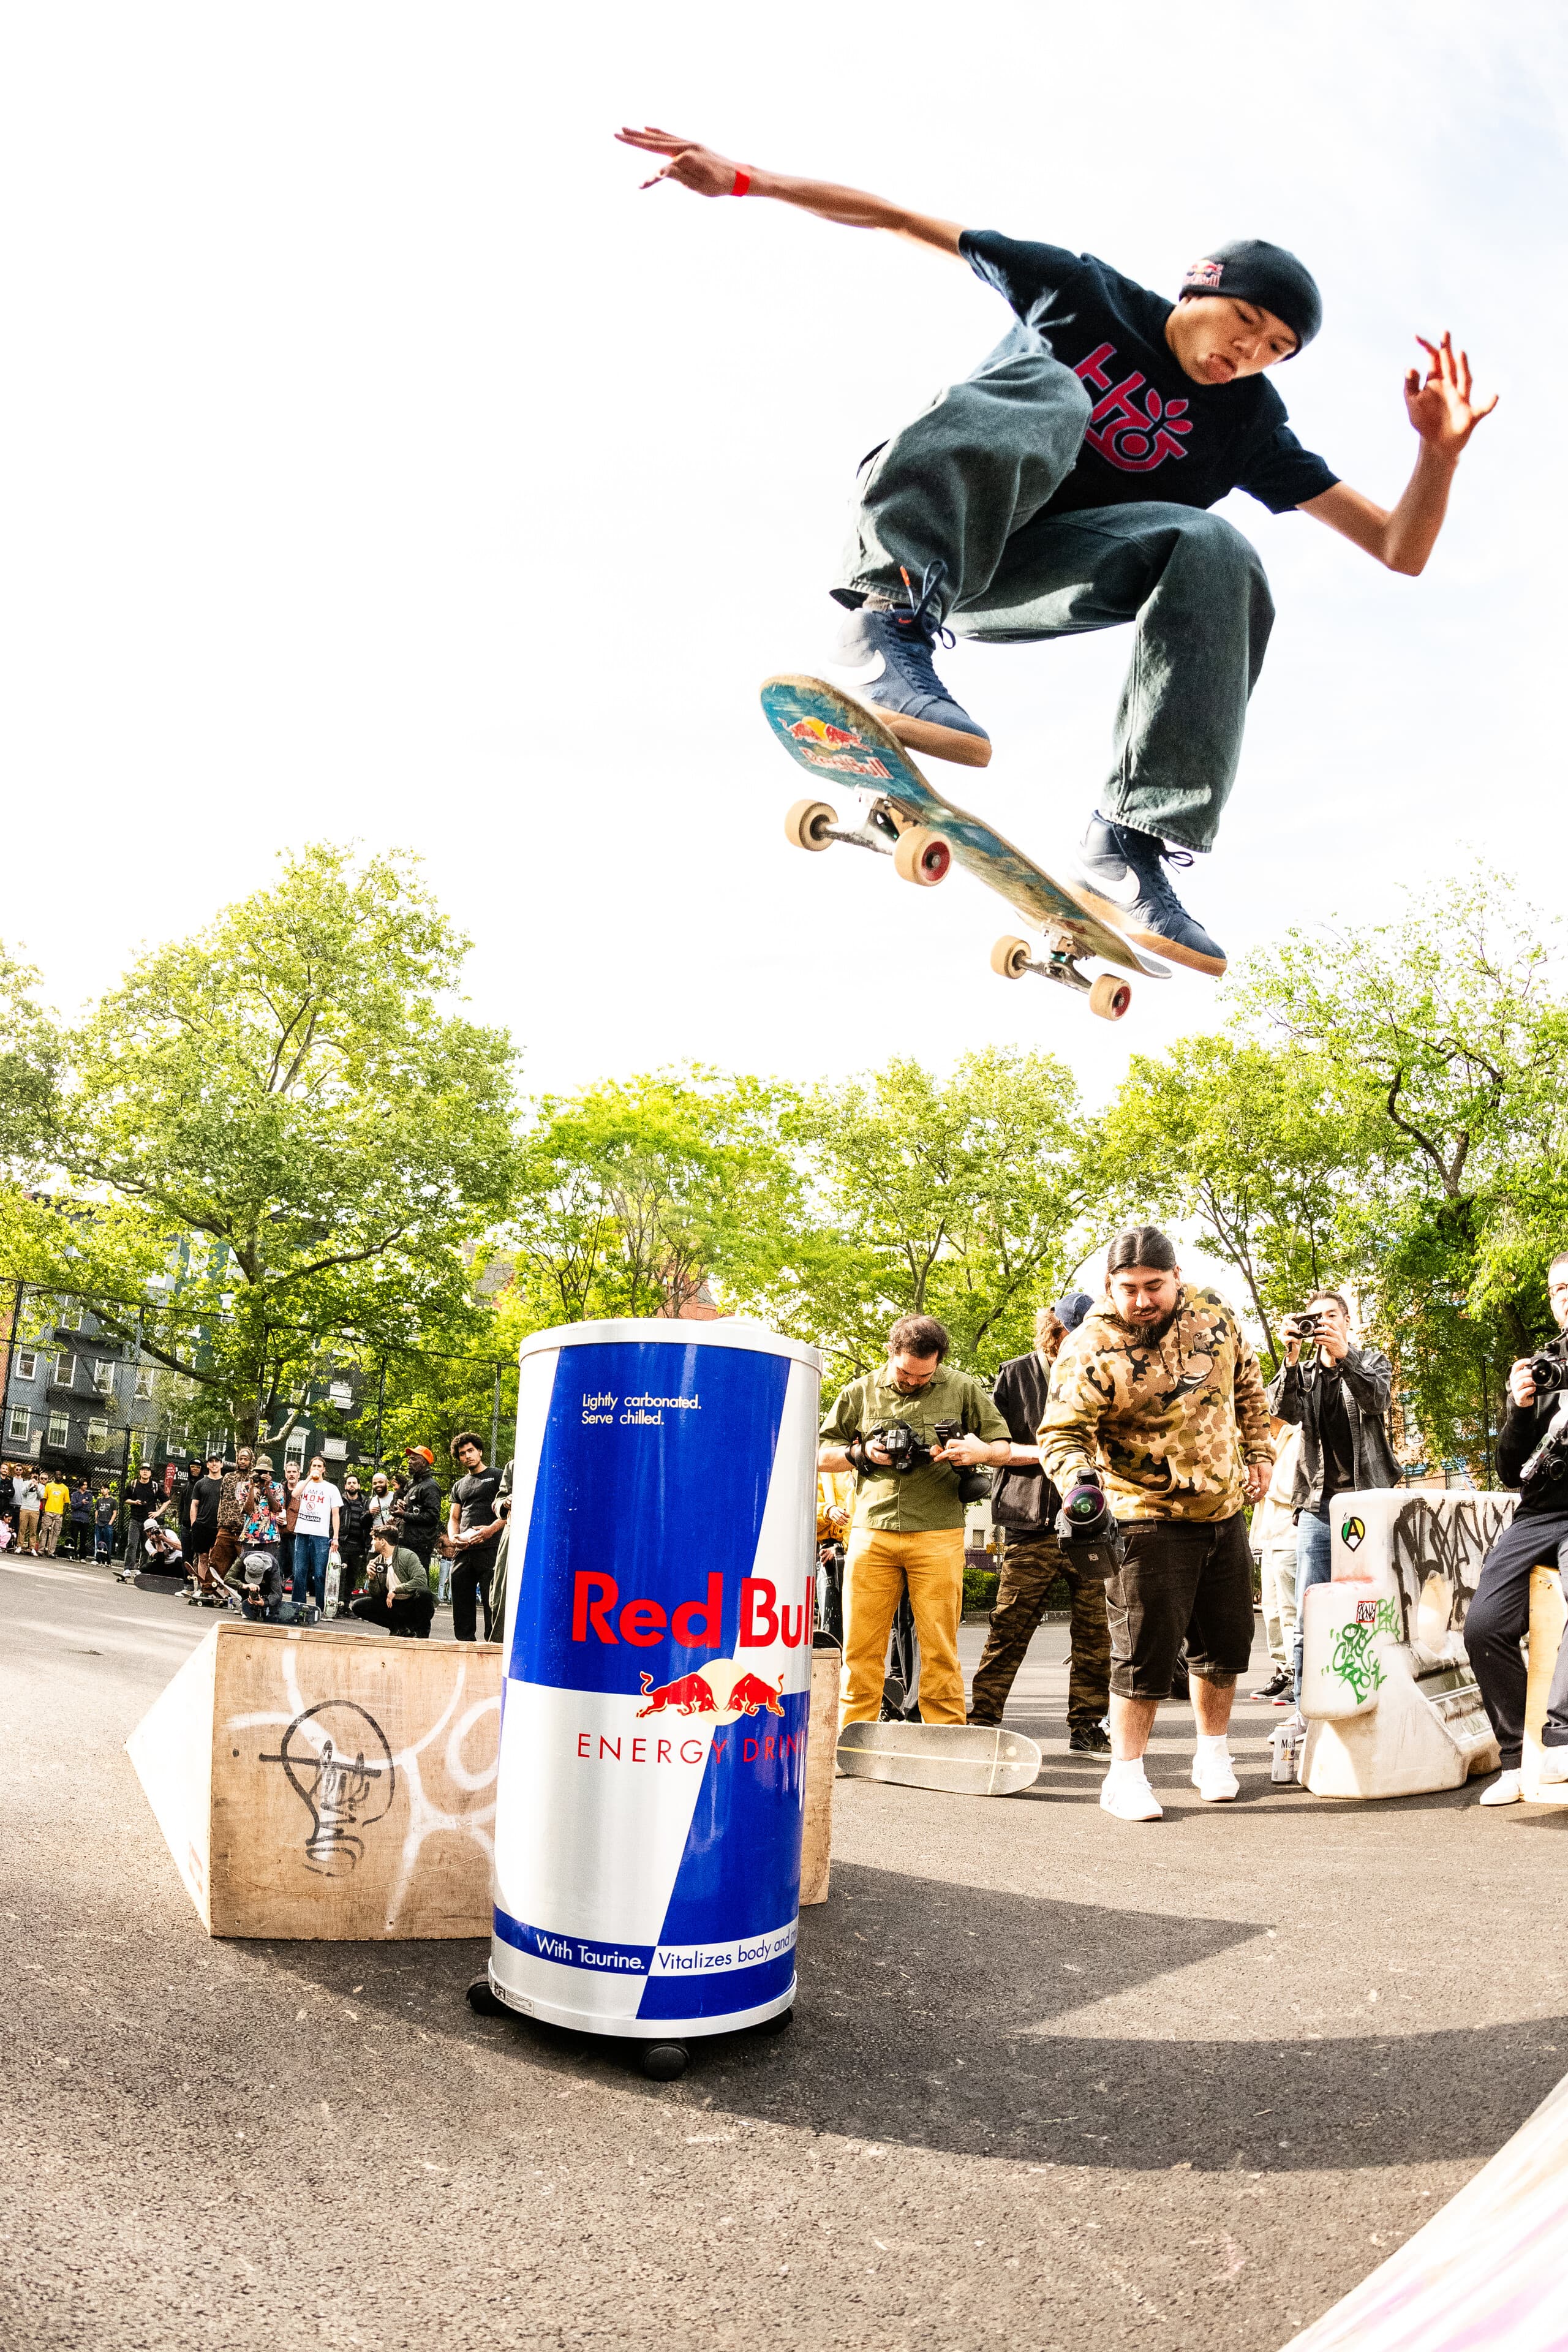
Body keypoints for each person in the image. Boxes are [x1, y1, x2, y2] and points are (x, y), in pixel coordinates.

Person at [616, 128, 1496, 976]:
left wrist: (1440, 455)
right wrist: (746, 180)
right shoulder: (1083, 293)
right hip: (935, 526)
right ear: (1199, 287)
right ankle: (881, 620)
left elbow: (1396, 547)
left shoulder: (1251, 428)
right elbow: (896, 218)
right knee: (1054, 385)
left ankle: (1128, 839)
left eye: (1276, 349)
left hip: (1021, 585)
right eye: (1245, 320)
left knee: (1216, 544)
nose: (1247, 352)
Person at [1039, 1226, 1273, 1822]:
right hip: (1143, 1512)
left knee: (1222, 1648)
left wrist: (1262, 1453)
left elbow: (1247, 1384)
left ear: (1176, 1278)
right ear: (1108, 1287)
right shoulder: (1089, 1346)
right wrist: (1079, 1484)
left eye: (1155, 1286)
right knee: (1143, 1655)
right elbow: (1060, 1434)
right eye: (1129, 1289)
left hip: (1222, 1508)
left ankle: (1213, 1755)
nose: (1142, 1300)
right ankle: (1124, 1776)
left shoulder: (1214, 1314)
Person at [818, 1313, 1012, 1725]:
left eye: (926, 1376)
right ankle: (852, 1735)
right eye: (907, 1374)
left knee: (940, 1646)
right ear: (891, 1352)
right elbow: (819, 1454)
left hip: (939, 1531)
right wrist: (861, 1454)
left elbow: (1001, 1447)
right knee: (860, 1647)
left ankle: (946, 1734)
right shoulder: (860, 1391)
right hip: (872, 1530)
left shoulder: (962, 1387)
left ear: (939, 1360)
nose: (915, 1381)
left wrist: (975, 1451)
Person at [970, 1304, 1112, 1752]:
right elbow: (990, 1448)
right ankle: (983, 1719)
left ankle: (1088, 1726)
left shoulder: (1108, 1369)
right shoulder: (1015, 1375)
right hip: (1030, 1523)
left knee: (1097, 1635)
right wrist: (1053, 1454)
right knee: (1009, 1627)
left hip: (1093, 1524)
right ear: (1057, 1330)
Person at [1466, 1253, 1568, 1807]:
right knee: (1483, 1627)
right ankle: (1514, 1758)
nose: (1565, 1297)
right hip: (1538, 1512)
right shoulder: (1543, 1365)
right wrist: (1519, 1409)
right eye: (1557, 1290)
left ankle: (1560, 1736)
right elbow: (1510, 1471)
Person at [1267, 1292, 1399, 1703]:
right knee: (1311, 1611)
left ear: (1346, 1321)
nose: (1322, 1324)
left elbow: (1377, 1399)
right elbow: (1279, 1410)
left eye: (1331, 1317)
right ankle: (1308, 1706)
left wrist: (1346, 1359)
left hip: (1368, 1504)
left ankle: (1377, 1695)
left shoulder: (1372, 1361)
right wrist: (1289, 1358)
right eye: (1314, 1318)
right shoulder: (1303, 1374)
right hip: (1318, 1507)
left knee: (1372, 1603)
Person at [1249, 1419, 1303, 1704]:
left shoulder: (1298, 1437)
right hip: (1268, 1536)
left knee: (1290, 1608)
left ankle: (1299, 1673)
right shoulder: (1266, 1445)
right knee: (1271, 1609)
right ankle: (1282, 1670)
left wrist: (1262, 1482)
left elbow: (1294, 1489)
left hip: (1289, 1536)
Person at [445, 1433, 505, 1643]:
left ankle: (493, 1649)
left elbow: (510, 1510)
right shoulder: (459, 1485)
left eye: (471, 1451)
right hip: (463, 1552)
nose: (467, 1456)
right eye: (463, 1454)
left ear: (480, 1451)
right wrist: (454, 1539)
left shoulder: (498, 1475)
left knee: (492, 1604)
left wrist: (490, 1530)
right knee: (461, 1604)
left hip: (490, 1548)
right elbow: (454, 1518)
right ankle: (464, 1647)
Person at [351, 1522, 436, 1639]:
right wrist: (372, 1578)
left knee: (424, 1593)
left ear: (382, 1542)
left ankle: (422, 1634)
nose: (372, 1543)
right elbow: (376, 1595)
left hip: (411, 1604)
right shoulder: (377, 1561)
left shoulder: (407, 1556)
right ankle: (398, 1628)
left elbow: (421, 1580)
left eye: (374, 1539)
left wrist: (397, 1589)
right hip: (393, 1605)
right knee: (358, 1606)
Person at [289, 1455, 342, 1621]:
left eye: (320, 1466)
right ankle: (299, 1607)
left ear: (324, 1469)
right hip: (303, 1532)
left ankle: (321, 1609)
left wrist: (336, 1537)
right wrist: (308, 1479)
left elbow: (336, 1514)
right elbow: (295, 1494)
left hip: (321, 1535)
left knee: (320, 1574)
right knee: (300, 1572)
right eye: (314, 1466)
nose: (317, 1469)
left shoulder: (331, 1488)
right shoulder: (303, 1484)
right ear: (310, 1468)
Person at [393, 1445, 442, 1572]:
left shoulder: (431, 1486)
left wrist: (404, 1515)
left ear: (424, 1463)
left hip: (420, 1547)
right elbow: (403, 1504)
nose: (409, 1462)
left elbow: (433, 1517)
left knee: (418, 1584)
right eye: (409, 1458)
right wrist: (400, 1503)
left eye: (414, 1459)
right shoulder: (411, 1484)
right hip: (404, 1541)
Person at [337, 1472, 373, 1597]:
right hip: (342, 1544)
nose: (352, 1485)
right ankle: (338, 1606)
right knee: (340, 1577)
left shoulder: (365, 1502)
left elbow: (368, 1523)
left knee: (352, 1578)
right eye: (349, 1483)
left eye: (354, 1483)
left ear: (359, 1486)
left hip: (358, 1546)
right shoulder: (339, 1500)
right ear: (345, 1486)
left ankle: (346, 1606)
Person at [124, 1461, 157, 1572]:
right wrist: (134, 1502)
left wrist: (158, 1513)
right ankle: (128, 1568)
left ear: (151, 1473)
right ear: (140, 1472)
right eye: (143, 1470)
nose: (145, 1472)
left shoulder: (154, 1486)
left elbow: (167, 1501)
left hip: (149, 1522)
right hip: (135, 1519)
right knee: (132, 1544)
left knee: (146, 1546)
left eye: (147, 1470)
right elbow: (125, 1499)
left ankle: (142, 1569)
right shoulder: (133, 1484)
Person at [39, 1474, 71, 1557]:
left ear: (62, 1477)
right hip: (48, 1511)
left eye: (60, 1475)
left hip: (58, 1514)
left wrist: (63, 1513)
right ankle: (41, 1550)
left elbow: (67, 1502)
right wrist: (44, 1510)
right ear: (54, 1476)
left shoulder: (65, 1488)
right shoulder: (49, 1486)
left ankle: (51, 1552)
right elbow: (45, 1498)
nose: (58, 1476)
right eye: (57, 1475)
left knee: (56, 1533)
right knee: (44, 1530)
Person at [13, 1469, 41, 1555]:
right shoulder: (25, 1483)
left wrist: (37, 1487)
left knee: (33, 1530)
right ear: (31, 1474)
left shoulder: (41, 1486)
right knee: (22, 1528)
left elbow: (41, 1496)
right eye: (33, 1473)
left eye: (36, 1474)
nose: (35, 1475)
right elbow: (23, 1493)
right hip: (25, 1508)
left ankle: (32, 1548)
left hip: (35, 1510)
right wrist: (30, 1484)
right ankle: (19, 1546)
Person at [68, 1479, 93, 1559]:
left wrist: (79, 1506)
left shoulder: (89, 1496)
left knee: (83, 1539)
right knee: (74, 1537)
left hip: (85, 1519)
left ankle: (82, 1556)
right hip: (75, 1518)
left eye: (86, 1485)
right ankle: (72, 1554)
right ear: (80, 1485)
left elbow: (89, 1507)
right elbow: (73, 1506)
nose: (85, 1486)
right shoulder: (75, 1494)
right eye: (84, 1485)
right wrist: (81, 1503)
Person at [92, 1485, 116, 1564]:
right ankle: (98, 1559)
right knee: (98, 1542)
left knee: (108, 1542)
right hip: (99, 1524)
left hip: (108, 1525)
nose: (103, 1490)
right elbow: (97, 1511)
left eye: (105, 1489)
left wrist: (110, 1523)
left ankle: (108, 1560)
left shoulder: (113, 1501)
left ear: (108, 1490)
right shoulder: (99, 1500)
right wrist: (96, 1521)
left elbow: (115, 1513)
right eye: (102, 1489)